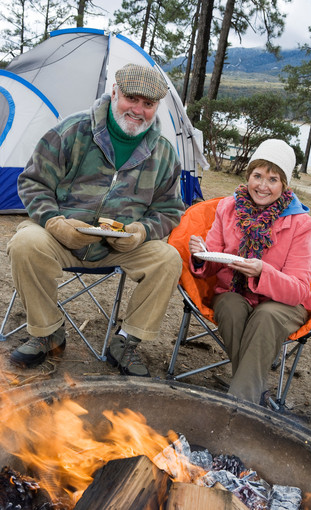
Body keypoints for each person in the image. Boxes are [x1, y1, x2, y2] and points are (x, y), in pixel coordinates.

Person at [7, 63, 185, 377]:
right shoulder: (72, 130)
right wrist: (53, 222)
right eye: (132, 98)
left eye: (148, 104)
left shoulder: (164, 153)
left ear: (157, 107)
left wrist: (142, 231)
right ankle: (47, 333)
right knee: (25, 241)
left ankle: (127, 341)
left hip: (121, 245)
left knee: (168, 258)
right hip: (63, 235)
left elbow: (169, 211)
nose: (138, 110)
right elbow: (33, 182)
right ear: (115, 92)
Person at [189, 139, 311, 405]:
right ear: (248, 176)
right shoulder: (229, 208)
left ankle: (239, 404)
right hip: (234, 293)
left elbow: (299, 289)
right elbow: (213, 260)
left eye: (273, 179)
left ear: (284, 185)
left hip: (282, 303)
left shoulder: (300, 224)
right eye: (257, 176)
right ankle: (253, 392)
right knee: (232, 309)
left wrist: (261, 272)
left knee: (265, 317)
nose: (262, 186)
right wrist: (200, 255)